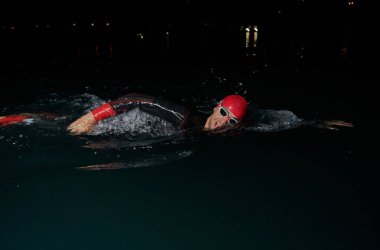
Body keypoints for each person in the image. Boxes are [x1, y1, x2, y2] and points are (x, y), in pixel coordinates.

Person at [0, 93, 250, 134]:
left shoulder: (219, 133)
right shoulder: (183, 117)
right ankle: (20, 118)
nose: (223, 121)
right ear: (216, 106)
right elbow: (137, 99)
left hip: (137, 127)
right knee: (68, 129)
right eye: (224, 112)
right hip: (121, 115)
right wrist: (92, 117)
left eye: (232, 120)